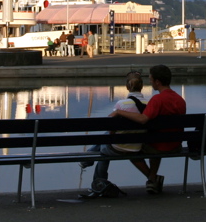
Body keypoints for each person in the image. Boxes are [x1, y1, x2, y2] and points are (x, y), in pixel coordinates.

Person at [112, 64, 186, 194]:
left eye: (151, 79)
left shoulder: (157, 100)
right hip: (176, 145)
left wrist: (119, 112)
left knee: (132, 149)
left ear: (157, 82)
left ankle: (152, 178)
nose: (150, 82)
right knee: (156, 140)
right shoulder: (180, 100)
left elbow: (143, 119)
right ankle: (152, 180)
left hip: (159, 145)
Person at [79, 72, 148, 198]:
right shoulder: (149, 104)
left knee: (104, 148)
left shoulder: (121, 105)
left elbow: (110, 130)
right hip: (137, 147)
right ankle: (88, 162)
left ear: (127, 87)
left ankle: (97, 183)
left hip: (119, 147)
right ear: (142, 86)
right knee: (104, 142)